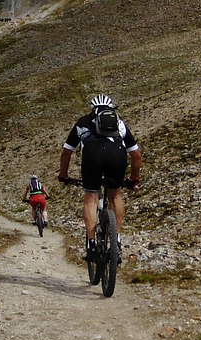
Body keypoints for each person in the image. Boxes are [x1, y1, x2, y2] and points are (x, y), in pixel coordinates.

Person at [57, 93, 142, 259]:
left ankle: (91, 244)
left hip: (92, 156)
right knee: (115, 195)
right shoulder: (119, 123)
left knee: (91, 197)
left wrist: (63, 175)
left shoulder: (83, 122)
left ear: (92, 109)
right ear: (111, 109)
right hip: (117, 155)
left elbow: (67, 152)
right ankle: (116, 240)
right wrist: (134, 178)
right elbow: (136, 154)